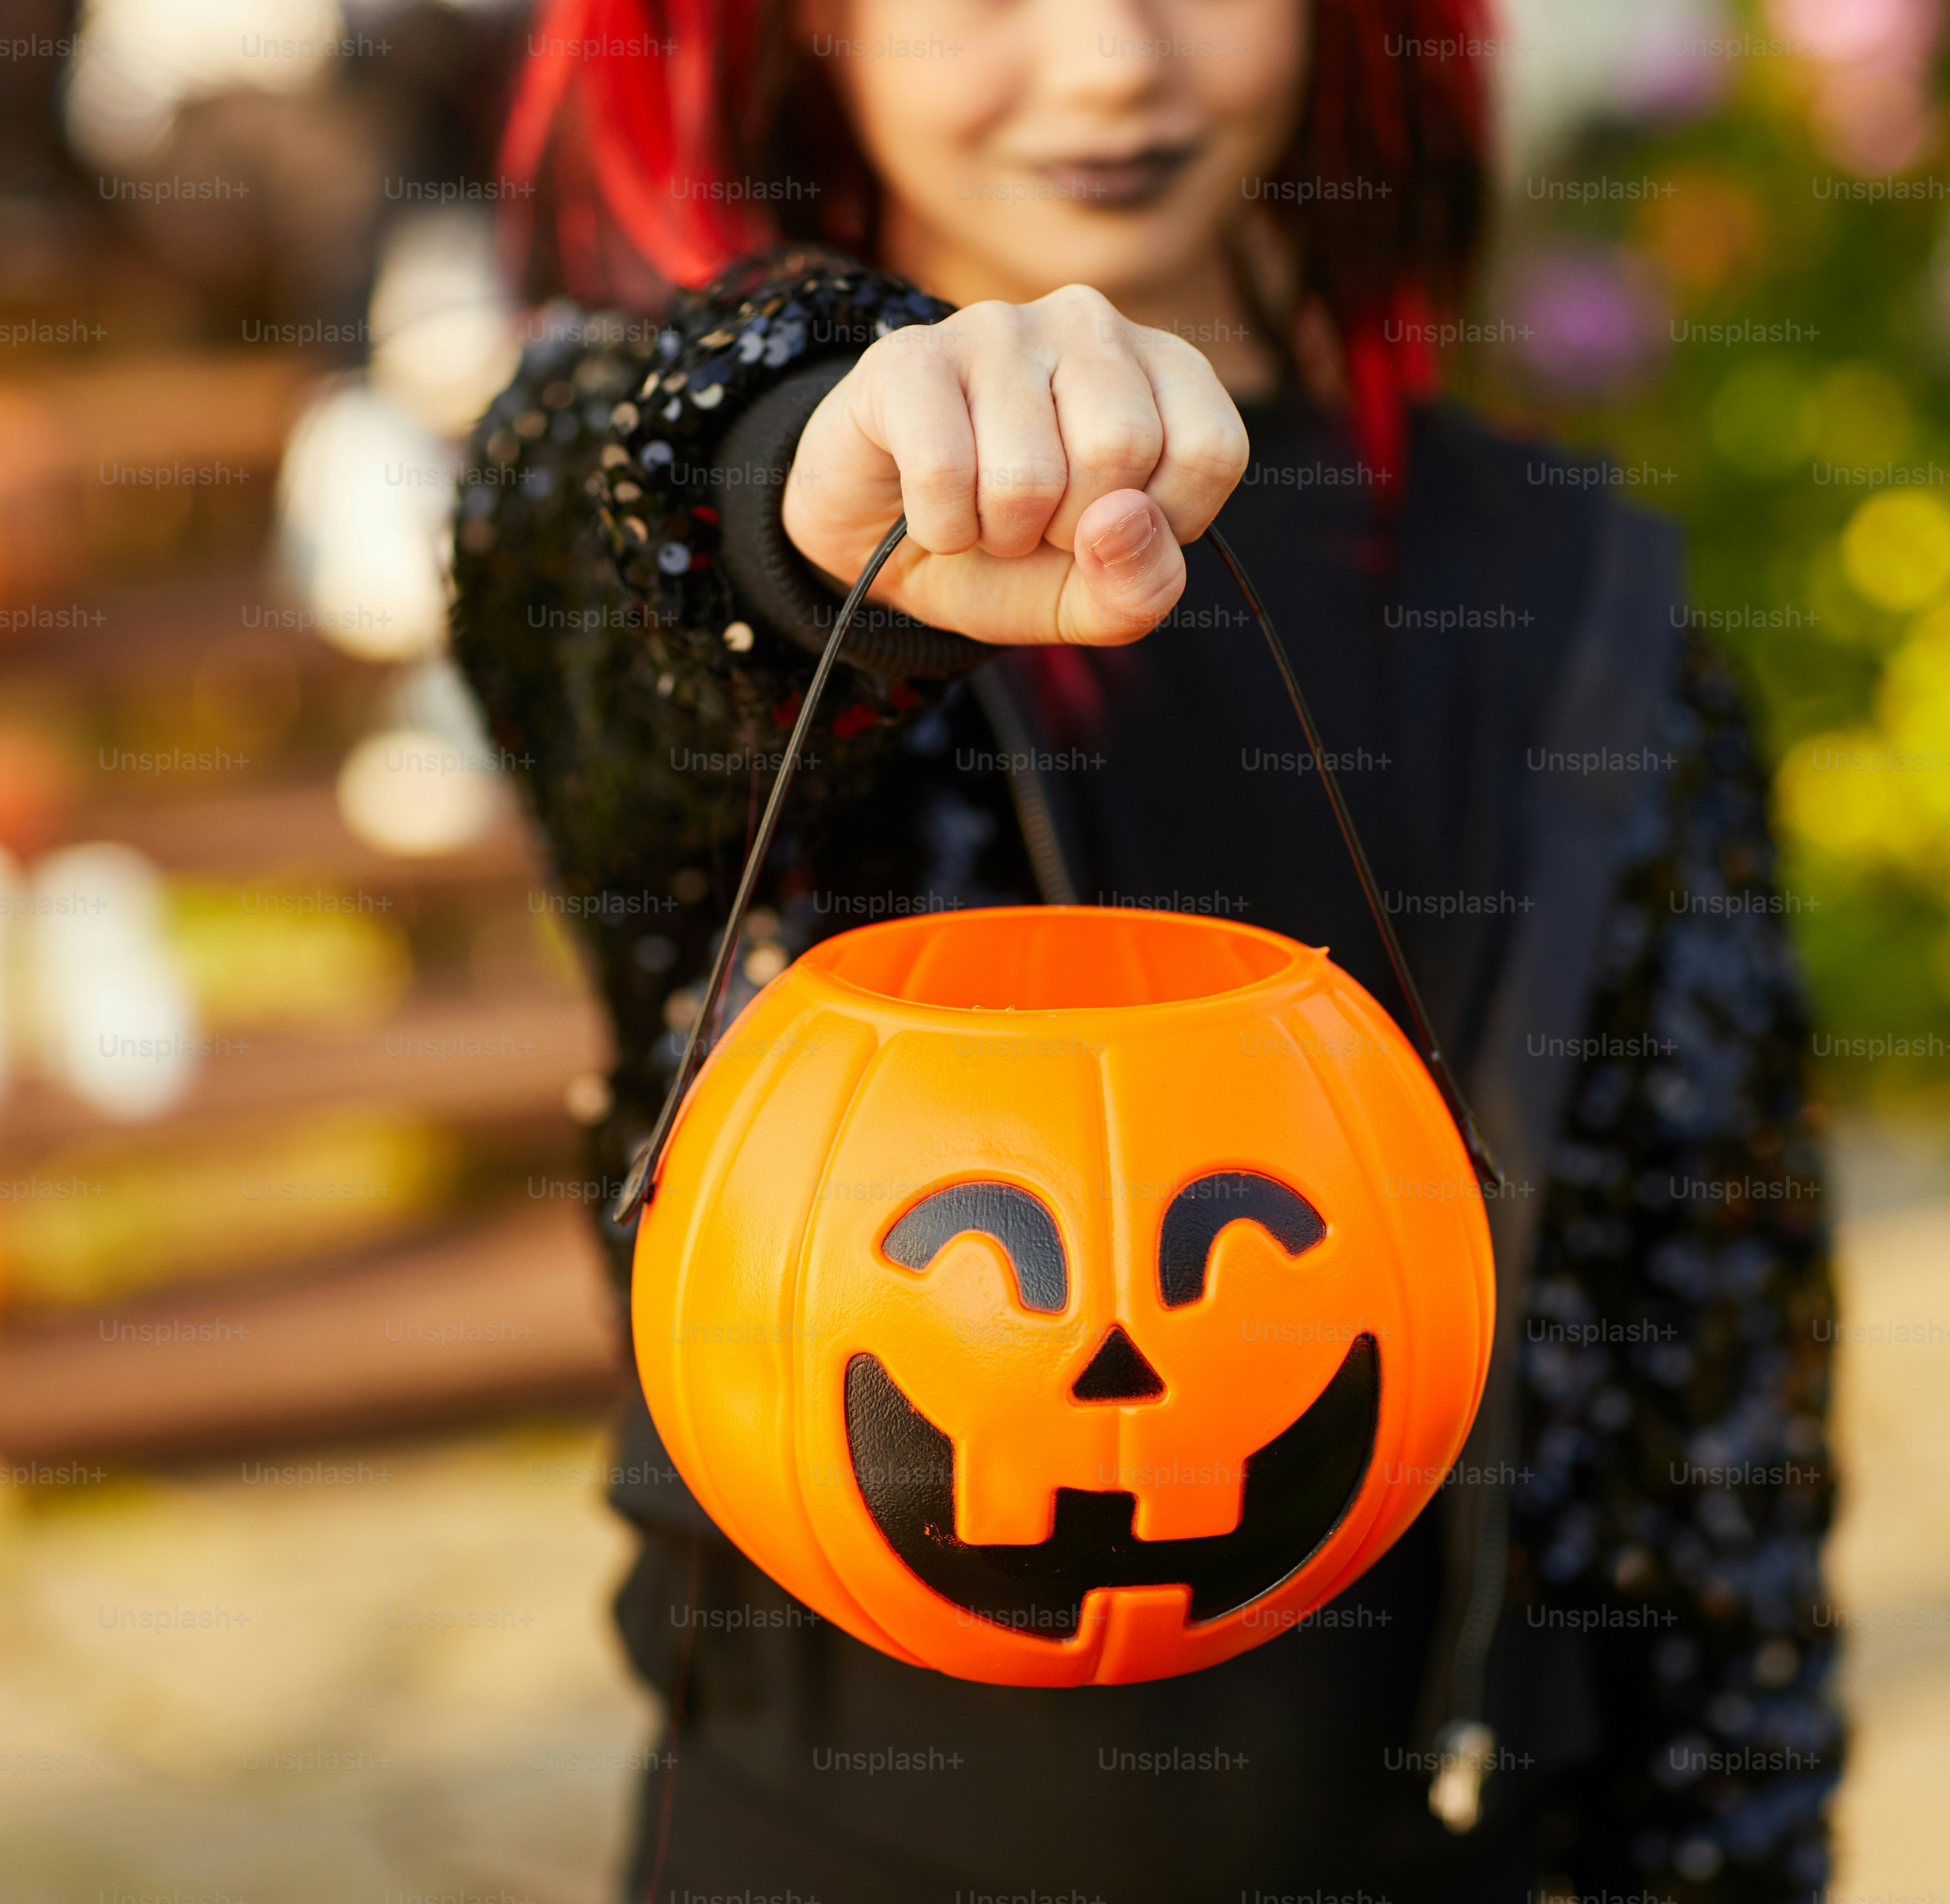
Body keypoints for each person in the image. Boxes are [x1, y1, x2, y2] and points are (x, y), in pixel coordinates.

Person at [448, 0, 1840, 1895]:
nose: (1111, 62)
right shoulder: (706, 513)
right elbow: (599, 523)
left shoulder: (1584, 620)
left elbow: (1709, 1453)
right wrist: (813, 460)